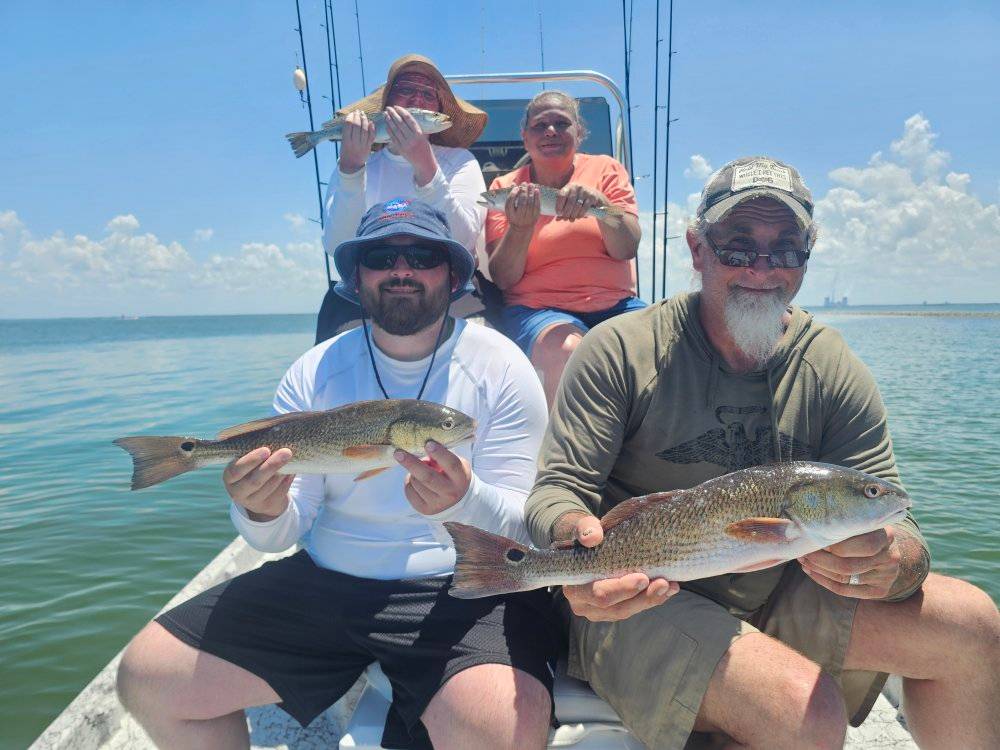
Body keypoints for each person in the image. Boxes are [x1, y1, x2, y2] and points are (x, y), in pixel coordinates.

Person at [524, 157, 1000, 749]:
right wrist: (576, 544)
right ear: (697, 249)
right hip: (642, 597)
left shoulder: (830, 365)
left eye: (786, 249)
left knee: (975, 628)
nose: (762, 268)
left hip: (779, 585)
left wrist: (892, 563)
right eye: (738, 246)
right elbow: (557, 491)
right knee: (801, 712)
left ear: (808, 256)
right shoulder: (620, 348)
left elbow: (901, 522)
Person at [117, 199, 556, 750]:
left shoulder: (503, 367)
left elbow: (525, 527)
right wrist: (259, 507)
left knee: (499, 727)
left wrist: (465, 500)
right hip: (327, 581)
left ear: (452, 273)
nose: (402, 269)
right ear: (357, 276)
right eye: (380, 256)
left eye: (422, 255)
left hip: (462, 585)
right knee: (148, 677)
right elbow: (281, 532)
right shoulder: (316, 368)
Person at [485, 90, 643, 406]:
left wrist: (603, 207)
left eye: (562, 123)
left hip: (617, 304)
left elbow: (627, 247)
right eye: (540, 125)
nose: (551, 131)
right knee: (569, 351)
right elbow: (503, 278)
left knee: (661, 347)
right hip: (539, 309)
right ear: (525, 138)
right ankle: (567, 450)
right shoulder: (504, 188)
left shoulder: (607, 170)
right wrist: (520, 226)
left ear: (578, 133)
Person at [317, 54, 488, 343]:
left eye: (427, 94)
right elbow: (338, 244)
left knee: (482, 344)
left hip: (446, 285)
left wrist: (425, 166)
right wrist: (350, 171)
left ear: (438, 107)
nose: (417, 100)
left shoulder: (460, 161)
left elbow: (462, 240)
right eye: (406, 90)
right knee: (334, 355)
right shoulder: (355, 162)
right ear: (386, 106)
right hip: (372, 288)